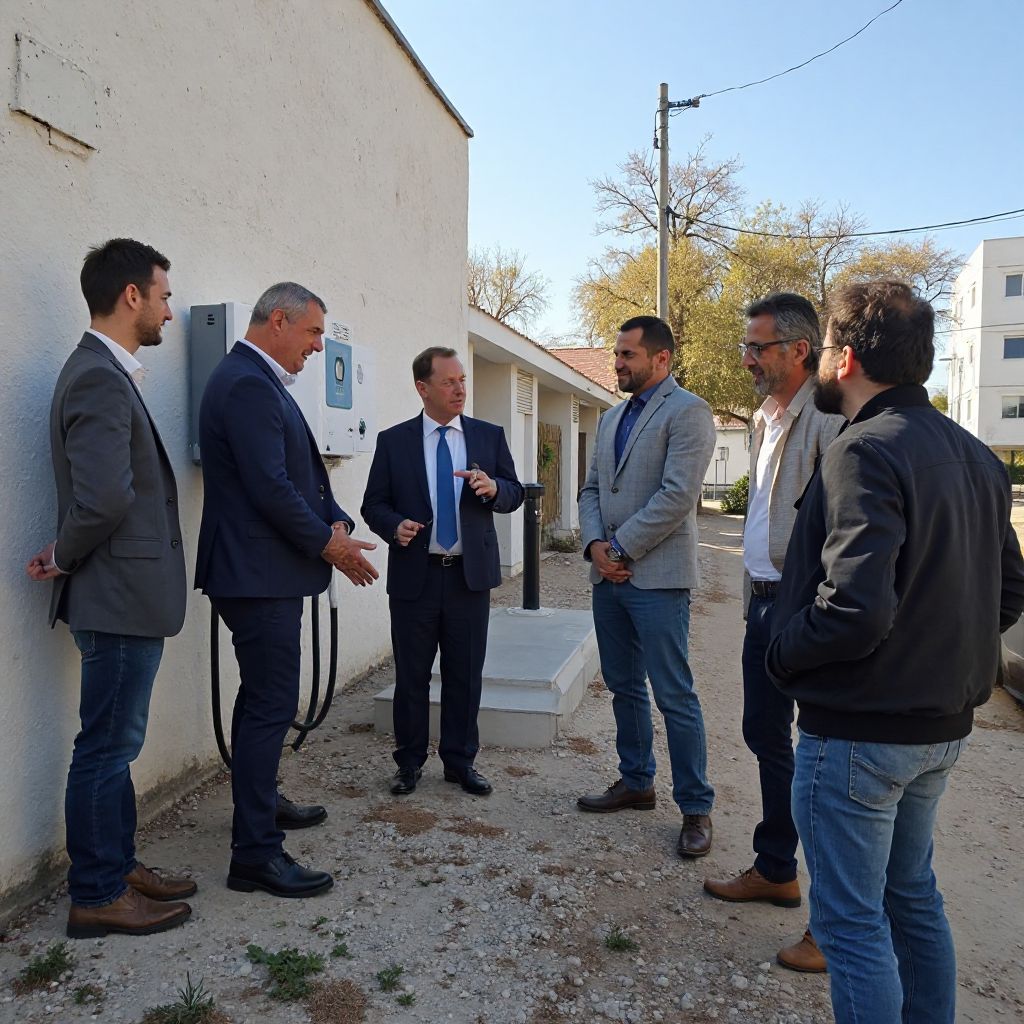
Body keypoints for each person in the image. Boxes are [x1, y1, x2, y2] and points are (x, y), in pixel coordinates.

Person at [766, 280, 1024, 1023]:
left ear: (844, 359)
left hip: (859, 735)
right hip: (937, 731)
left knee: (850, 925)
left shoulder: (862, 451)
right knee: (912, 896)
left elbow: (853, 607)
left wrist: (783, 657)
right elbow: (1006, 594)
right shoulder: (976, 455)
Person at [26, 238, 194, 938]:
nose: (169, 311)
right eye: (163, 294)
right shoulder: (97, 375)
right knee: (105, 747)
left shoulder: (106, 372)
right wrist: (64, 556)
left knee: (113, 743)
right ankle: (96, 892)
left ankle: (117, 864)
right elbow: (102, 500)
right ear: (132, 296)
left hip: (121, 593)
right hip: (118, 595)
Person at [195, 281, 378, 898]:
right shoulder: (247, 383)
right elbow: (269, 488)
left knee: (262, 699)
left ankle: (261, 803)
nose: (318, 349)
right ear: (278, 320)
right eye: (312, 334)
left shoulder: (261, 381)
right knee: (272, 702)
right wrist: (330, 545)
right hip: (255, 576)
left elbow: (302, 479)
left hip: (265, 571)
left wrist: (338, 522)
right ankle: (255, 855)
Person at [703, 294, 841, 973]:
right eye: (745, 347)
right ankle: (776, 868)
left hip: (803, 605)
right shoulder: (764, 417)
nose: (748, 358)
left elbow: (841, 529)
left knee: (819, 759)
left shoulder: (828, 417)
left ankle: (831, 924)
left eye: (758, 347)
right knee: (764, 735)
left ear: (800, 351)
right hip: (762, 604)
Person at [576, 315, 717, 858]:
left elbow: (677, 496)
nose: (617, 363)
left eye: (627, 355)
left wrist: (620, 549)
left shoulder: (690, 412)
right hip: (607, 577)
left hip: (656, 578)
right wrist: (594, 547)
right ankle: (636, 781)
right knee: (623, 686)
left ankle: (696, 808)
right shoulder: (611, 418)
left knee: (674, 695)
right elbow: (591, 489)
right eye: (617, 354)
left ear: (661, 359)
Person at [361, 347, 524, 797]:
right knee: (411, 676)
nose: (460, 389)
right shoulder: (394, 441)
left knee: (465, 674)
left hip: (468, 577)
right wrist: (395, 526)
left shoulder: (487, 436)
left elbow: (514, 492)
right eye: (449, 381)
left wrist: (494, 489)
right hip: (417, 576)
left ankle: (460, 762)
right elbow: (373, 504)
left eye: (463, 380)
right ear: (423, 388)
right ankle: (408, 763)